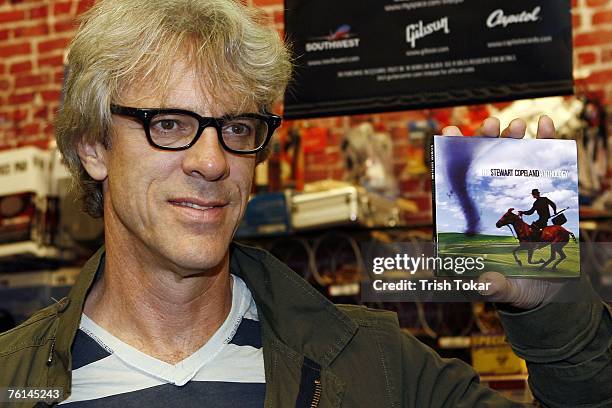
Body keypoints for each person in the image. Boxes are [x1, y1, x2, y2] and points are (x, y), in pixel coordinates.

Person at [0, 0, 610, 407]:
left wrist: (552, 307)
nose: (213, 162)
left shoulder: (376, 367)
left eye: (237, 127)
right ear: (93, 147)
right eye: (169, 122)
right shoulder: (13, 379)